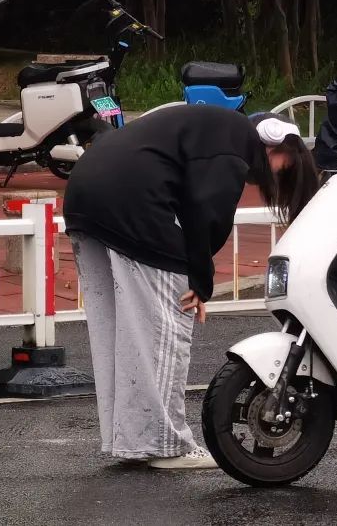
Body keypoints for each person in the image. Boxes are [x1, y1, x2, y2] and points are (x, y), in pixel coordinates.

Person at [64, 105, 318, 469]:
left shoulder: (209, 127)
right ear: (277, 147)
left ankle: (132, 441)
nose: (275, 179)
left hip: (84, 198)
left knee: (121, 333)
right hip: (132, 204)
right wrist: (200, 281)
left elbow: (188, 203)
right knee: (163, 327)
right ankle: (166, 446)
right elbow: (207, 212)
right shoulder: (236, 142)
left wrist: (196, 272)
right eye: (285, 169)